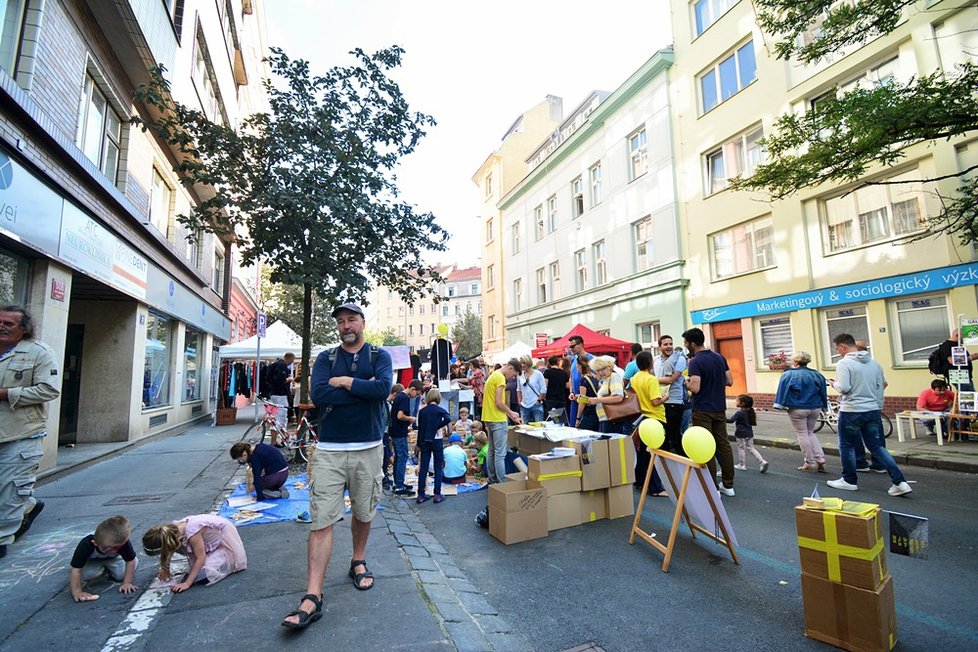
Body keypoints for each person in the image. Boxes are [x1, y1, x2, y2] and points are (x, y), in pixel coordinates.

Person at [282, 303, 393, 630]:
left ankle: (357, 560)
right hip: (329, 450)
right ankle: (313, 595)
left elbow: (382, 389)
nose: (346, 325)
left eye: (351, 319)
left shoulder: (379, 356)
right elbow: (318, 395)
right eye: (341, 321)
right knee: (322, 520)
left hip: (369, 448)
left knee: (364, 512)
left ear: (362, 322)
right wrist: (361, 388)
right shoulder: (325, 359)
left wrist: (343, 383)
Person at [0, 305, 60, 559]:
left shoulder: (39, 353)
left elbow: (49, 390)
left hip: (21, 433)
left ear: (23, 329)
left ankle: (2, 538)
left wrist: (8, 393)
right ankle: (27, 505)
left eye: (8, 324)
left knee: (9, 487)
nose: (1, 327)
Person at [826, 333, 912, 496]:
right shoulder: (874, 364)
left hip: (852, 410)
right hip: (872, 410)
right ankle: (900, 482)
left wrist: (833, 383)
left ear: (843, 346)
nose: (838, 352)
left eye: (838, 349)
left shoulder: (844, 363)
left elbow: (844, 388)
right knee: (877, 447)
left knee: (847, 445)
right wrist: (877, 406)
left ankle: (849, 480)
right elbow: (882, 385)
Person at [682, 327, 736, 497]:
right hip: (719, 407)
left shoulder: (695, 362)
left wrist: (686, 382)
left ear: (692, 343)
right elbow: (729, 381)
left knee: (706, 447)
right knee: (724, 445)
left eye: (685, 343)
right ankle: (728, 485)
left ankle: (712, 487)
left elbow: (695, 388)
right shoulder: (720, 357)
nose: (685, 346)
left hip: (702, 409)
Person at [143, 514, 246, 593]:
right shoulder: (171, 532)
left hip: (221, 541)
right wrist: (165, 568)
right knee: (195, 572)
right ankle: (212, 556)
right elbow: (169, 551)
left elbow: (200, 558)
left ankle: (227, 556)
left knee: (203, 575)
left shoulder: (192, 533)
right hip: (205, 542)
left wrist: (187, 583)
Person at [773, 351, 830, 472]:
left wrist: (779, 404)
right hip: (815, 407)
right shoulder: (817, 374)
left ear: (795, 361)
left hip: (797, 407)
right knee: (810, 433)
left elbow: (782, 390)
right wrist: (825, 407)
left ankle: (810, 462)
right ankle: (820, 459)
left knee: (802, 434)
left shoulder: (788, 374)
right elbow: (823, 392)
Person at [69, 515, 139, 602]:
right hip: (92, 561)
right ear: (95, 543)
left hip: (113, 559)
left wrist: (127, 583)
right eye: (108, 548)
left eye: (116, 548)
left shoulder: (122, 543)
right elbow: (76, 569)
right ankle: (103, 570)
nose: (113, 550)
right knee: (87, 575)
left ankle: (108, 569)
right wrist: (77, 592)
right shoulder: (86, 545)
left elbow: (130, 561)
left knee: (122, 575)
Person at [628, 351, 669, 496]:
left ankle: (639, 482)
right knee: (652, 454)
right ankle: (656, 488)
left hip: (641, 417)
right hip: (654, 417)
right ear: (650, 362)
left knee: (642, 453)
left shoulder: (634, 378)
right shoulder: (651, 379)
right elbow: (655, 401)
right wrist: (665, 397)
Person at [481, 359, 523, 484]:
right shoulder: (500, 378)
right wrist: (511, 413)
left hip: (489, 417)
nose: (512, 378)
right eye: (514, 374)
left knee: (492, 451)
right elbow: (499, 402)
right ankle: (502, 483)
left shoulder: (493, 375)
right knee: (500, 454)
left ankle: (493, 480)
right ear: (510, 368)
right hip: (497, 419)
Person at [653, 335, 688, 453]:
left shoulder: (680, 359)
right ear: (659, 347)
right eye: (665, 344)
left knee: (675, 436)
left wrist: (650, 380)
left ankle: (685, 463)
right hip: (659, 401)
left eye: (670, 344)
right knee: (663, 437)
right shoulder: (656, 360)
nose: (669, 347)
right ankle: (667, 468)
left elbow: (670, 380)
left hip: (674, 402)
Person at [416, 388, 451, 504]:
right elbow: (448, 418)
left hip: (425, 440)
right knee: (438, 466)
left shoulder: (422, 411)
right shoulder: (440, 410)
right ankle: (437, 494)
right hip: (437, 439)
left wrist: (418, 444)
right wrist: (437, 425)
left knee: (424, 467)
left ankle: (420, 494)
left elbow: (420, 428)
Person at [389, 379, 423, 496]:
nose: (416, 396)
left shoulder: (400, 397)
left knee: (399, 457)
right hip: (399, 432)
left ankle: (398, 483)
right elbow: (400, 416)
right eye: (417, 393)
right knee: (402, 457)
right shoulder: (404, 398)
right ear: (413, 389)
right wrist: (410, 419)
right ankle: (399, 486)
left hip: (396, 431)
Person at [585, 356, 626, 434]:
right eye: (598, 370)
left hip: (611, 419)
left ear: (609, 367)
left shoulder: (613, 377)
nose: (600, 372)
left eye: (603, 369)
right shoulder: (605, 379)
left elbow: (618, 397)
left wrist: (596, 400)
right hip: (607, 418)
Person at [727, 395, 768, 472]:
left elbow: (731, 420)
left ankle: (742, 465)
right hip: (749, 433)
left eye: (737, 401)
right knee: (751, 448)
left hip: (741, 434)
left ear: (742, 403)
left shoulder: (739, 413)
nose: (735, 402)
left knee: (741, 449)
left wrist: (722, 418)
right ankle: (762, 461)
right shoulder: (749, 412)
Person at [266, 352, 295, 447]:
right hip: (281, 395)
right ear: (289, 358)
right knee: (280, 417)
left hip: (273, 394)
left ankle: (282, 439)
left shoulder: (274, 364)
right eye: (292, 360)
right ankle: (274, 442)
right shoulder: (282, 366)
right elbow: (281, 380)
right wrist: (290, 379)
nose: (292, 362)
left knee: (276, 417)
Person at [567, 336, 593, 426]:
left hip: (586, 400)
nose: (571, 349)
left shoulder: (591, 359)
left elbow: (594, 379)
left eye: (573, 346)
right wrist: (571, 392)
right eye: (570, 347)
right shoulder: (574, 359)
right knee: (573, 426)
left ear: (581, 345)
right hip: (575, 399)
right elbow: (571, 377)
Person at [382, 383, 404, 490]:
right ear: (395, 394)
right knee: (385, 455)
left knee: (386, 455)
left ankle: (384, 474)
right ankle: (383, 476)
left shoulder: (387, 404)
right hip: (384, 433)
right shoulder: (387, 405)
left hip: (385, 433)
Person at [570, 356, 600, 431]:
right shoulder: (594, 377)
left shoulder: (583, 380)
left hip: (588, 413)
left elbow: (582, 401)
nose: (576, 367)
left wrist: (578, 418)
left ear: (580, 366)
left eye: (577, 365)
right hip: (596, 412)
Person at [517, 354, 547, 424]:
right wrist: (519, 401)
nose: (522, 365)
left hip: (536, 404)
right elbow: (518, 389)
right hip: (524, 405)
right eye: (521, 363)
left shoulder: (538, 374)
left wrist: (539, 400)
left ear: (528, 362)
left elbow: (543, 388)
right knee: (525, 428)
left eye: (524, 363)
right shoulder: (520, 375)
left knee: (539, 426)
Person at [541, 355, 569, 421]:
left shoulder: (547, 372)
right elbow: (567, 386)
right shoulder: (564, 373)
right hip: (561, 399)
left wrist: (543, 396)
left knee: (552, 419)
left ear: (549, 363)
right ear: (558, 362)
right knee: (561, 420)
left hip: (551, 399)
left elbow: (545, 386)